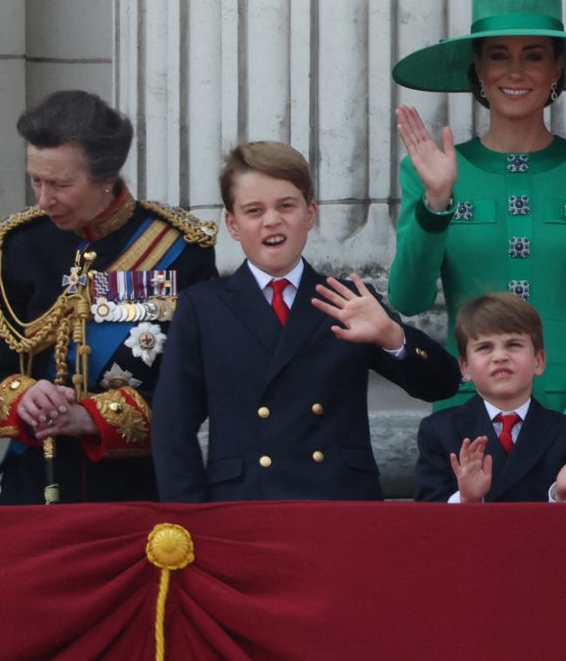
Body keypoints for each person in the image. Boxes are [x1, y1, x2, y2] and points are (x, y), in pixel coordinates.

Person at [390, 0, 566, 497]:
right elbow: (408, 298)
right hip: (465, 416)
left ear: (558, 69)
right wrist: (437, 201)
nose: (516, 71)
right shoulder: (433, 171)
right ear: (477, 70)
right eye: (498, 55)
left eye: (534, 56)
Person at [152, 142, 461, 501]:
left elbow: (443, 384)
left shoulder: (346, 298)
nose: (272, 220)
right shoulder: (202, 307)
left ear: (310, 214)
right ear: (233, 225)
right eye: (254, 210)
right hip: (243, 508)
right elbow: (172, 427)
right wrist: (192, 522)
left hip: (339, 507)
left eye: (286, 206)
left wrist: (391, 336)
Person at [0, 90, 218, 505]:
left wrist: (91, 418)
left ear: (106, 177)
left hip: (137, 490)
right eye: (35, 180)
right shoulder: (20, 245)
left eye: (60, 184)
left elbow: (197, 385)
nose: (43, 199)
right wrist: (24, 397)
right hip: (35, 489)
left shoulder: (180, 250)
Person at [415, 292, 566, 503]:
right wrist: (466, 499)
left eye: (513, 345)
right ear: (465, 368)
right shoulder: (440, 431)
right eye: (484, 347)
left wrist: (560, 494)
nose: (500, 357)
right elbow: (427, 523)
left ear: (539, 361)